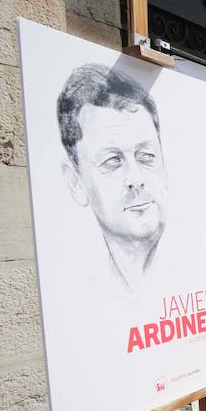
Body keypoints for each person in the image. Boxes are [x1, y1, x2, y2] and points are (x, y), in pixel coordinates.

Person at [57, 63, 168, 296]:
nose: (136, 179)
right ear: (75, 182)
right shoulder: (75, 289)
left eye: (146, 156)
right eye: (112, 160)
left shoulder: (201, 256)